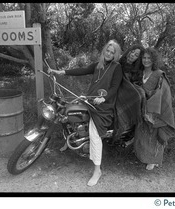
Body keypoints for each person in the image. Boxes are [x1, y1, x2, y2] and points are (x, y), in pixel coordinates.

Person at [48, 40, 123, 186]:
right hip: (90, 100)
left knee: (95, 134)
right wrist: (62, 72)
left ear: (115, 55)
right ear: (104, 51)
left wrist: (104, 98)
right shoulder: (98, 64)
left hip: (104, 106)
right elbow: (82, 70)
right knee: (68, 112)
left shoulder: (117, 67)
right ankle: (69, 141)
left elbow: (115, 87)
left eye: (112, 52)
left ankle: (97, 170)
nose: (109, 54)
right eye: (107, 50)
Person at [133, 47, 175, 170]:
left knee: (155, 135)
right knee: (143, 135)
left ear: (154, 60)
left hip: (155, 109)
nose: (146, 60)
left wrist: (152, 106)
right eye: (144, 58)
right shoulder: (140, 73)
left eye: (149, 58)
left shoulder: (158, 74)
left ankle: (155, 160)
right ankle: (145, 157)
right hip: (142, 109)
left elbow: (163, 92)